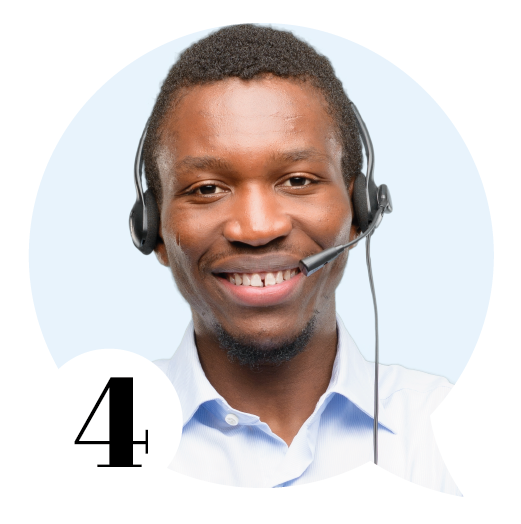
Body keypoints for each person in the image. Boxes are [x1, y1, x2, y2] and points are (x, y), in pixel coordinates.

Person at [145, 24, 460, 494]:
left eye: (297, 181)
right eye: (207, 189)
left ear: (360, 213)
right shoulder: (94, 440)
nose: (255, 229)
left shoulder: (453, 428)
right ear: (153, 231)